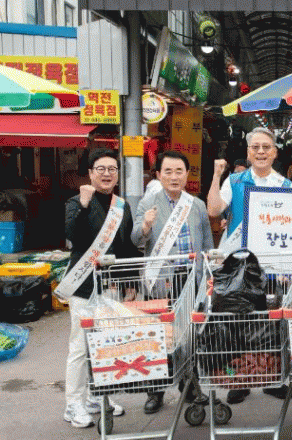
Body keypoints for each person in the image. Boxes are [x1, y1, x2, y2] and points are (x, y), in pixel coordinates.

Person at [207, 127, 292, 405]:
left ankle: (273, 377)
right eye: (255, 147)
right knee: (236, 323)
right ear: (248, 152)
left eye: (266, 147)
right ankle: (239, 380)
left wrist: (288, 268)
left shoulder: (285, 185)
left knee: (272, 323)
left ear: (275, 152)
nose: (261, 152)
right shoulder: (234, 181)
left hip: (272, 266)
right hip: (238, 268)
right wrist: (216, 176)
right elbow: (214, 210)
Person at [132, 150, 214, 414]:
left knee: (189, 336)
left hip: (190, 279)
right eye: (168, 171)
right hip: (160, 281)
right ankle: (155, 392)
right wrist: (145, 226)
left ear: (187, 174)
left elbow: (207, 243)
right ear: (158, 175)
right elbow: (136, 239)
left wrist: (208, 274)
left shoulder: (197, 204)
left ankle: (190, 386)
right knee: (159, 337)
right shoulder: (148, 204)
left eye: (179, 171)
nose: (174, 176)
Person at [61, 149, 139, 428]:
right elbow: (73, 236)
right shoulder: (76, 202)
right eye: (101, 169)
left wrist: (131, 282)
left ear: (117, 174)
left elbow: (126, 248)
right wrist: (83, 205)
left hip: (110, 287)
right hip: (83, 286)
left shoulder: (122, 207)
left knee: (104, 344)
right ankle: (73, 404)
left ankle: (96, 397)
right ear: (91, 173)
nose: (107, 174)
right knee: (80, 346)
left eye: (112, 169)